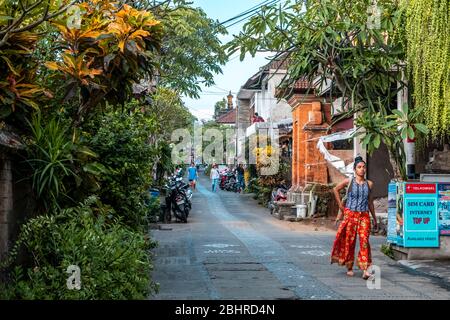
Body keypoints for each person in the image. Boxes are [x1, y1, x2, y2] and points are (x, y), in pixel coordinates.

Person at [330, 156, 378, 280]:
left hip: (364, 216)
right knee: (349, 242)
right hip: (350, 215)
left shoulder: (369, 184)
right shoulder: (349, 181)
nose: (362, 169)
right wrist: (341, 206)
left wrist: (375, 218)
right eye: (359, 167)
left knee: (364, 241)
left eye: (363, 167)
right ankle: (349, 266)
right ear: (354, 169)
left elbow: (370, 202)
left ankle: (366, 269)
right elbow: (335, 189)